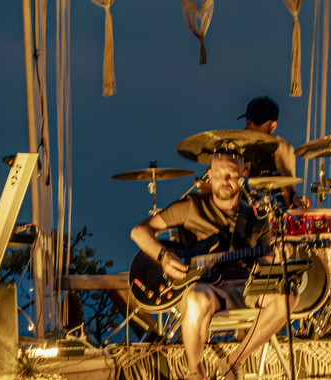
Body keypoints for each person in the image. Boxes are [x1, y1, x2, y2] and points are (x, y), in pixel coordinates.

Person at [130, 152, 295, 380]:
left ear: (243, 176)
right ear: (209, 175)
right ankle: (195, 372)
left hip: (244, 288)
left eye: (231, 175)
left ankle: (234, 360)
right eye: (218, 174)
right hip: (206, 289)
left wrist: (277, 257)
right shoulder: (191, 207)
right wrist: (164, 255)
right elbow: (139, 231)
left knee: (288, 297)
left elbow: (264, 262)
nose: (224, 180)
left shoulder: (257, 217)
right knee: (198, 298)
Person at [236, 96, 304, 208]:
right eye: (248, 121)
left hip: (276, 213)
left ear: (273, 126)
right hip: (243, 211)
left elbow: (289, 189)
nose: (251, 126)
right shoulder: (236, 145)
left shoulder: (284, 148)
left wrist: (297, 200)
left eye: (257, 123)